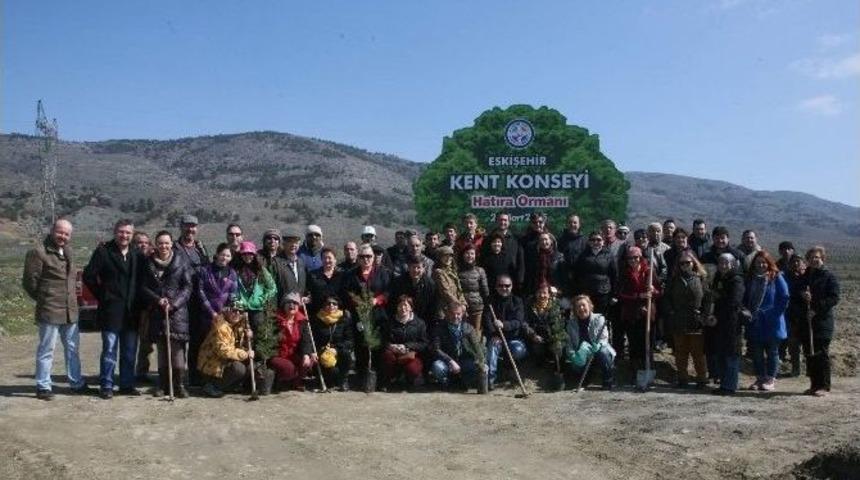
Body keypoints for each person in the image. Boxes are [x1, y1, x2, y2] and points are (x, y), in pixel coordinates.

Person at [23, 218, 92, 400]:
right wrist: (44, 299)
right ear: (52, 231)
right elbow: (29, 283)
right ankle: (43, 386)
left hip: (70, 310)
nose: (63, 236)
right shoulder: (38, 252)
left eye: (67, 234)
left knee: (72, 349)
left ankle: (76, 383)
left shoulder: (69, 251)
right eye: (60, 232)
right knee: (47, 350)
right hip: (50, 310)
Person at [83, 219, 140, 398]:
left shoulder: (137, 254)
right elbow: (89, 275)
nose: (124, 235)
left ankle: (126, 384)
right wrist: (103, 295)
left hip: (131, 312)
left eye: (128, 233)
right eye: (121, 232)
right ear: (115, 232)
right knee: (109, 350)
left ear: (132, 235)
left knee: (129, 352)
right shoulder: (103, 252)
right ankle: (106, 385)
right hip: (111, 311)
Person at [139, 230, 193, 398]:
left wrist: (175, 303)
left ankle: (179, 385)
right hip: (158, 312)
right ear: (156, 244)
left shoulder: (181, 261)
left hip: (177, 313)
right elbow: (143, 287)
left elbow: (187, 287)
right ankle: (163, 385)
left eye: (167, 243)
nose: (164, 246)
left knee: (177, 352)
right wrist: (157, 300)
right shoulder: (148, 263)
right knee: (162, 351)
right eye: (160, 243)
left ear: (171, 243)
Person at [191, 243, 239, 385]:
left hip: (224, 318)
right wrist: (211, 312)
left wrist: (229, 310)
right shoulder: (205, 271)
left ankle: (216, 381)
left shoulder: (232, 273)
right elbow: (200, 292)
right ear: (217, 254)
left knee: (219, 348)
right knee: (206, 349)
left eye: (228, 255)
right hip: (206, 316)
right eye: (222, 254)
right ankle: (200, 379)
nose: (225, 257)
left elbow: (233, 294)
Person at [743, 250, 789, 391]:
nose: (761, 265)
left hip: (772, 321)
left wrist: (774, 313)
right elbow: (745, 297)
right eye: (758, 263)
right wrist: (746, 311)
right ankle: (760, 377)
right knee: (756, 352)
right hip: (755, 320)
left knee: (772, 351)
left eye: (764, 262)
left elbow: (784, 297)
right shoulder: (750, 279)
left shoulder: (776, 277)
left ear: (769, 263)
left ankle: (770, 378)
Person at [801, 246, 840, 396]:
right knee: (810, 353)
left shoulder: (829, 276)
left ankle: (824, 386)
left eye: (817, 257)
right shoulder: (805, 276)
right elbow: (798, 291)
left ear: (822, 258)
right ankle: (814, 384)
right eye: (811, 258)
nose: (814, 260)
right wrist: (802, 295)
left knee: (821, 353)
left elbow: (834, 297)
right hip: (807, 321)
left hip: (822, 321)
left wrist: (816, 308)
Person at [666, 252, 707, 389]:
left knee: (698, 352)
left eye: (687, 262)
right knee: (680, 352)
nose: (685, 265)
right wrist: (671, 312)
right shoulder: (673, 280)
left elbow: (708, 298)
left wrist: (704, 315)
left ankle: (702, 379)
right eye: (682, 263)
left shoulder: (701, 278)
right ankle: (682, 378)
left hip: (696, 319)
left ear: (693, 263)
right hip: (678, 319)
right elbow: (667, 298)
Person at [616, 247, 661, 373]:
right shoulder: (624, 273)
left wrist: (653, 291)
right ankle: (635, 372)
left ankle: (648, 368)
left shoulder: (649, 272)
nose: (633, 260)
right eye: (630, 258)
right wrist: (638, 296)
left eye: (636, 257)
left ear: (640, 257)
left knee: (647, 344)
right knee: (634, 344)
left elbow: (659, 292)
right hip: (631, 314)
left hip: (647, 314)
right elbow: (621, 294)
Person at [197, 302, 254, 398]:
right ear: (227, 310)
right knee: (239, 369)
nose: (237, 314)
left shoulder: (238, 326)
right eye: (234, 311)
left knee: (248, 367)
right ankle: (212, 385)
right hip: (212, 367)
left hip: (224, 363)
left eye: (240, 312)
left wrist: (248, 338)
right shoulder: (220, 326)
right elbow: (223, 351)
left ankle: (226, 386)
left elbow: (240, 347)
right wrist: (245, 354)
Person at [707, 253, 745, 395]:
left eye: (726, 263)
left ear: (733, 264)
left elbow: (734, 302)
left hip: (732, 323)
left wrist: (719, 298)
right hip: (719, 322)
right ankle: (724, 384)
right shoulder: (718, 278)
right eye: (721, 262)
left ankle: (730, 386)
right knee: (721, 353)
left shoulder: (737, 280)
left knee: (731, 354)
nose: (723, 266)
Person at [430, 301, 488, 392]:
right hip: (447, 361)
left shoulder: (468, 328)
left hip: (465, 360)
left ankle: (465, 382)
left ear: (462, 314)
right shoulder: (439, 328)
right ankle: (447, 384)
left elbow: (477, 347)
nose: (455, 317)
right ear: (447, 313)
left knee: (480, 366)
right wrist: (450, 361)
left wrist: (482, 362)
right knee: (437, 367)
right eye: (452, 314)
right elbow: (436, 349)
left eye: (458, 314)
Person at [482, 274, 527, 390]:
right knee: (493, 347)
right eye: (500, 285)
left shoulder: (517, 301)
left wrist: (504, 325)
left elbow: (518, 321)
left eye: (507, 285)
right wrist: (494, 334)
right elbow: (487, 321)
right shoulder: (490, 302)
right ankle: (490, 380)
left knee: (518, 350)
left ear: (511, 286)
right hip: (496, 337)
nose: (504, 288)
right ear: (496, 287)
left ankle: (510, 371)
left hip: (513, 338)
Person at [565, 295, 615, 390]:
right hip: (582, 354)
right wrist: (572, 354)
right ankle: (585, 380)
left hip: (597, 351)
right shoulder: (571, 324)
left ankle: (607, 381)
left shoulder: (599, 318)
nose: (581, 308)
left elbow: (604, 337)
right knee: (576, 363)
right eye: (578, 307)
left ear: (589, 306)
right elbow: (569, 343)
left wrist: (599, 344)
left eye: (583, 305)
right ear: (575, 310)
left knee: (603, 352)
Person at [381, 295, 429, 389]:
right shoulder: (389, 323)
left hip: (410, 355)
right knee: (387, 356)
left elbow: (424, 343)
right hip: (394, 354)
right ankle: (389, 379)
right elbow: (383, 340)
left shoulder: (420, 323)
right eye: (400, 305)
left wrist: (407, 346)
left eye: (406, 305)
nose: (403, 308)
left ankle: (411, 378)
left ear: (411, 308)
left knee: (413, 369)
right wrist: (391, 346)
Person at [234, 241, 277, 342]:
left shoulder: (261, 270)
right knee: (242, 337)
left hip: (257, 309)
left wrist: (262, 298)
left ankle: (259, 357)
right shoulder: (236, 270)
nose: (247, 256)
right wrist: (236, 300)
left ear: (254, 255)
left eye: (250, 254)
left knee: (259, 334)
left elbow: (272, 287)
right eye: (244, 254)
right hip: (241, 308)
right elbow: (234, 289)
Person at [269, 293, 313, 391]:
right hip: (278, 355)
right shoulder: (275, 321)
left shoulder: (302, 321)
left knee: (309, 360)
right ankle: (281, 380)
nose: (291, 305)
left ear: (298, 306)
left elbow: (306, 340)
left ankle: (296, 382)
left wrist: (306, 354)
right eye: (288, 303)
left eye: (295, 303)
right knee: (288, 369)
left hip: (293, 354)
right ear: (283, 306)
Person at [310, 294, 354, 391]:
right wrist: (316, 351)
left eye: (334, 303)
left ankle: (344, 381)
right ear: (323, 305)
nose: (331, 306)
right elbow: (312, 339)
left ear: (338, 306)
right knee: (331, 376)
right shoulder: (317, 320)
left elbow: (350, 341)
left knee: (346, 354)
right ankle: (325, 380)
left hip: (339, 352)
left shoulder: (344, 320)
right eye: (328, 303)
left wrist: (336, 349)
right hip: (322, 352)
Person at [573, 232, 618, 315]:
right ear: (589, 242)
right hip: (587, 293)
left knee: (601, 317)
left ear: (603, 241)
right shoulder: (582, 256)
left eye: (598, 239)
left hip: (604, 293)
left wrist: (614, 295)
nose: (596, 242)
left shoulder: (609, 255)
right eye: (593, 240)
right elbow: (577, 275)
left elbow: (614, 276)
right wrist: (577, 292)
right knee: (587, 316)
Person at [389, 255, 437, 329]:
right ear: (408, 267)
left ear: (424, 269)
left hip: (423, 321)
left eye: (418, 267)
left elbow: (432, 307)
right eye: (413, 267)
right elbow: (393, 302)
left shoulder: (430, 284)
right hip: (402, 320)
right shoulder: (399, 282)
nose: (415, 270)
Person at [524, 283, 565, 367]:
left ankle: (557, 367)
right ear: (535, 294)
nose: (542, 295)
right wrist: (533, 335)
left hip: (551, 336)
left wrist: (556, 338)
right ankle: (540, 362)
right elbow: (525, 323)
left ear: (549, 295)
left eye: (545, 293)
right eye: (539, 292)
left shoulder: (555, 306)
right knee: (537, 349)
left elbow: (559, 324)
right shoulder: (529, 306)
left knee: (558, 349)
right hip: (536, 337)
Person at [458, 243, 490, 336]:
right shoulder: (456, 271)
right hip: (461, 307)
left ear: (475, 255)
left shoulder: (480, 271)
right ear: (463, 254)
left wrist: (488, 301)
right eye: (467, 253)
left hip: (477, 307)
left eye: (472, 253)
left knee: (475, 332)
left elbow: (485, 290)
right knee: (462, 332)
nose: (469, 256)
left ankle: (477, 350)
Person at [784, 254, 807, 377]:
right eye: (794, 262)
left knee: (808, 344)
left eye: (799, 261)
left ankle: (810, 369)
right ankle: (795, 369)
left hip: (807, 316)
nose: (796, 264)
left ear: (804, 263)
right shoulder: (786, 277)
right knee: (793, 345)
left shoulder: (808, 277)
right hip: (792, 315)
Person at [522, 231, 564, 296]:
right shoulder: (534, 257)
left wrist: (558, 289)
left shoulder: (559, 257)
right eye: (541, 240)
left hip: (553, 291)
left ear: (551, 241)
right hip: (537, 291)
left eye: (546, 239)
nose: (544, 242)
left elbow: (563, 276)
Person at [307, 247, 345, 316]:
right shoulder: (313, 275)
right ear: (321, 260)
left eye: (329, 258)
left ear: (335, 259)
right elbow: (308, 292)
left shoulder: (343, 275)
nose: (327, 260)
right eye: (324, 258)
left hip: (339, 315)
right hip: (318, 315)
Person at [432, 246, 465, 322]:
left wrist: (463, 303)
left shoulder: (453, 271)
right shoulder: (438, 272)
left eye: (450, 256)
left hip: (456, 307)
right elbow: (445, 292)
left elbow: (459, 290)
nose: (448, 258)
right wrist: (459, 305)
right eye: (445, 256)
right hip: (445, 308)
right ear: (440, 257)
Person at [279, 231, 309, 298]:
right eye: (290, 242)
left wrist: (307, 296)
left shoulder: (301, 262)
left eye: (296, 242)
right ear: (283, 244)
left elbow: (305, 285)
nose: (293, 245)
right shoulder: (276, 262)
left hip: (298, 304)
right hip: (283, 304)